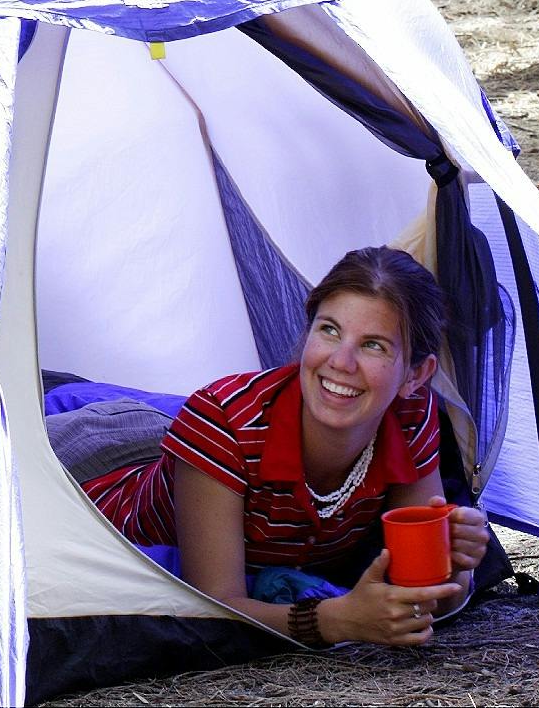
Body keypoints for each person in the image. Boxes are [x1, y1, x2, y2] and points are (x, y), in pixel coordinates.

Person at [80, 247, 493, 646]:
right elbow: (214, 606)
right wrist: (334, 620)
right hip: (98, 508)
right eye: (329, 330)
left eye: (373, 345)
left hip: (189, 463)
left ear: (416, 375)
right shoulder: (224, 423)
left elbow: (429, 592)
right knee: (68, 407)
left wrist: (455, 567)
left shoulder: (410, 416)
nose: (341, 362)